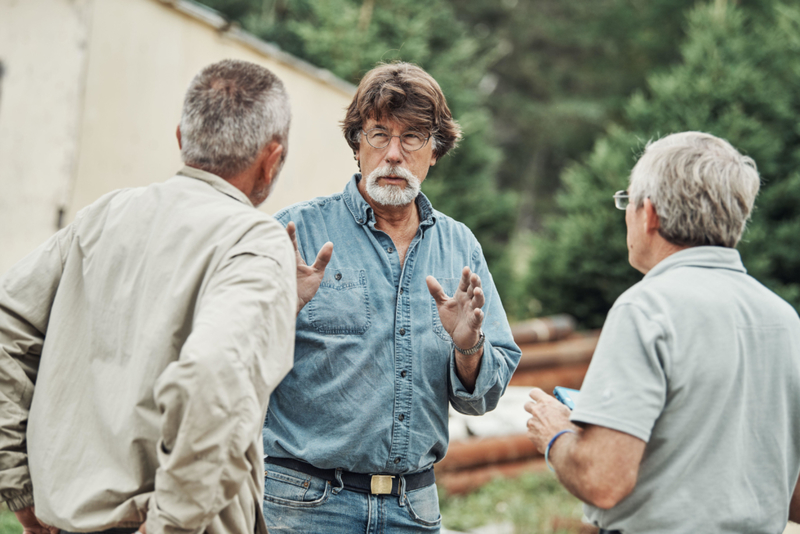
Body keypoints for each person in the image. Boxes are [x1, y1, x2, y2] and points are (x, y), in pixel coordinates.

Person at [0, 59, 298, 534]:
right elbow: (212, 376)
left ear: (182, 138)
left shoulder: (104, 215)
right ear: (273, 158)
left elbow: (6, 324)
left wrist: (18, 484)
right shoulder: (255, 240)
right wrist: (172, 525)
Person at [260, 61, 521, 532]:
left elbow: (483, 398)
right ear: (357, 144)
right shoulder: (297, 233)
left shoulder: (460, 247)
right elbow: (233, 363)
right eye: (379, 135)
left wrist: (468, 348)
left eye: (413, 137)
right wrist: (281, 312)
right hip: (304, 505)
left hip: (413, 508)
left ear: (436, 150)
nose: (394, 154)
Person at [524, 131, 800, 533]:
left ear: (649, 213)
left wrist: (556, 433)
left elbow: (603, 482)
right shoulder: (784, 318)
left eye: (627, 200)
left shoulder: (646, 309)